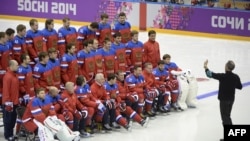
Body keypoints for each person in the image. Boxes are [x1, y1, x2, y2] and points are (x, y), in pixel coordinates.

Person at [204, 60, 242, 141]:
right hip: (231, 99)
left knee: (225, 118)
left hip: (224, 100)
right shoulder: (236, 77)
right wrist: (231, 85)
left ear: (227, 67)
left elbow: (210, 74)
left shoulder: (223, 76)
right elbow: (240, 87)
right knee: (227, 116)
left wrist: (206, 67)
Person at [2, 60, 19, 141]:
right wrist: (8, 103)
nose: (18, 66)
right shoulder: (7, 76)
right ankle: (7, 135)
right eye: (16, 65)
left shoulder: (14, 75)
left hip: (15, 102)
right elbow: (6, 91)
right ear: (11, 66)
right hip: (9, 103)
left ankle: (11, 134)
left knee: (13, 120)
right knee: (8, 120)